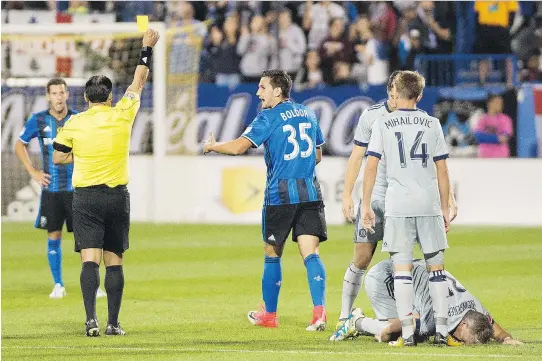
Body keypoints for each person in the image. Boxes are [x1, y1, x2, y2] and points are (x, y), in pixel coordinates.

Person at [331, 71, 457, 340]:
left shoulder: (414, 121)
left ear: (399, 91)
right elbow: (357, 159)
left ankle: (403, 322)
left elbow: (439, 166)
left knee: (400, 264)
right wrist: (347, 195)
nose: (392, 96)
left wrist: (450, 198)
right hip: (379, 199)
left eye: (394, 92)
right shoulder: (373, 117)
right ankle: (344, 316)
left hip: (399, 202)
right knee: (362, 258)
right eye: (389, 93)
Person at [52, 28, 160, 337]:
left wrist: (81, 155)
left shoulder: (74, 122)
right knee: (114, 261)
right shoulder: (122, 113)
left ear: (85, 98)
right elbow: (139, 80)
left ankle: (90, 321)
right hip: (116, 197)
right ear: (110, 97)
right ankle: (113, 323)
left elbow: (58, 158)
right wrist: (146, 48)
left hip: (85, 198)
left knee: (89, 259)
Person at [203, 69, 328, 331]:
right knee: (311, 253)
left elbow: (239, 147)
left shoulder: (268, 117)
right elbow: (317, 156)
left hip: (280, 196)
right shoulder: (308, 112)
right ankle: (319, 314)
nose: (258, 93)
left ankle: (269, 315)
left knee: (272, 253)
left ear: (278, 91)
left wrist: (213, 146)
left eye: (262, 87)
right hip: (310, 194)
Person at [14, 77, 106, 300]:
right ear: (48, 96)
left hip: (78, 190)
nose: (58, 97)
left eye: (61, 93)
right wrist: (33, 171)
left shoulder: (78, 119)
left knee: (86, 238)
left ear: (67, 95)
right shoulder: (38, 120)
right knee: (54, 234)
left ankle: (93, 285)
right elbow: (19, 144)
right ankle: (58, 284)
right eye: (54, 93)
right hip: (52, 191)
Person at [332, 259, 524, 346]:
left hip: (410, 273)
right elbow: (410, 322)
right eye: (464, 339)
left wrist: (507, 339)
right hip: (386, 278)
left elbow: (497, 330)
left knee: (415, 330)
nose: (460, 342)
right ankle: (356, 321)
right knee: (401, 334)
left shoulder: (476, 310)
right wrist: (386, 331)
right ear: (463, 323)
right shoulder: (442, 316)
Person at [474, 94, 513, 158]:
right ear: (490, 103)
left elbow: (504, 138)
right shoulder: (482, 118)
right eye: (497, 102)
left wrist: (486, 137)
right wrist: (496, 138)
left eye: (501, 103)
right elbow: (478, 137)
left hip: (501, 155)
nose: (500, 105)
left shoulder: (506, 119)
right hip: (484, 155)